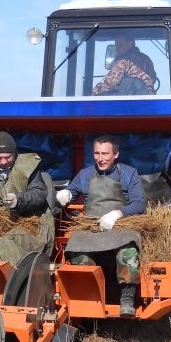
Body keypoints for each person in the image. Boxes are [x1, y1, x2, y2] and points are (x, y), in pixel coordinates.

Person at [55, 134, 146, 316]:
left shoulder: (129, 173)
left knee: (128, 248)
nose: (100, 158)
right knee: (76, 246)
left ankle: (126, 298)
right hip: (92, 227)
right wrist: (65, 194)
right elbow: (72, 191)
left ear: (116, 154)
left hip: (121, 226)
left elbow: (139, 203)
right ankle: (91, 294)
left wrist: (117, 214)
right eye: (97, 153)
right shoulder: (85, 174)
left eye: (105, 154)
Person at [0, 131, 54, 265]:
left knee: (17, 239)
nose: (3, 162)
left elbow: (40, 193)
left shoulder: (27, 168)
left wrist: (19, 200)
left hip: (26, 219)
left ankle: (15, 277)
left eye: (8, 157)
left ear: (15, 154)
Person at [92, 33, 156, 96]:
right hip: (149, 99)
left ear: (130, 43)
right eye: (116, 45)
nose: (117, 48)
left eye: (120, 45)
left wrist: (94, 92)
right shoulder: (146, 58)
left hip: (130, 101)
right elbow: (153, 78)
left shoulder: (123, 59)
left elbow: (112, 81)